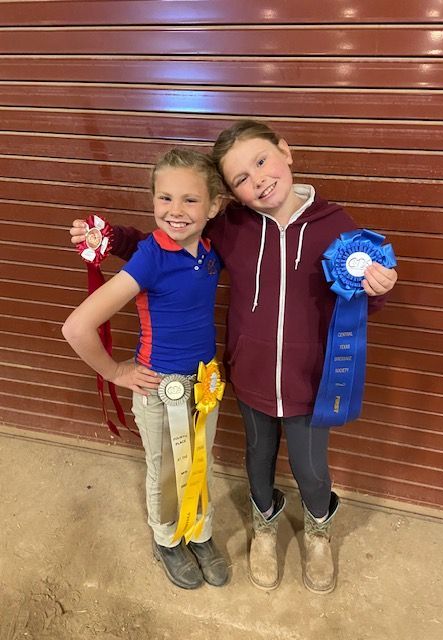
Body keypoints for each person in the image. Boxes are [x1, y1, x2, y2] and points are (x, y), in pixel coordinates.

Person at [69, 120, 398, 594]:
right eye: (241, 177)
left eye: (261, 161)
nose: (257, 179)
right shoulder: (231, 227)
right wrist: (109, 237)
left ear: (285, 151)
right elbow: (165, 243)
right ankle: (263, 524)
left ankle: (318, 531)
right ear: (230, 196)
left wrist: (378, 288)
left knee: (311, 469)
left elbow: (361, 296)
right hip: (247, 376)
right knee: (255, 458)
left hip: (309, 380)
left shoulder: (337, 226)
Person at [63, 149, 229, 590]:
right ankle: (167, 539)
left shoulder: (210, 250)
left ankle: (200, 532)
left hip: (205, 385)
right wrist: (115, 372)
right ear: (153, 199)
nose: (176, 210)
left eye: (190, 200)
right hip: (159, 389)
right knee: (165, 470)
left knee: (201, 461)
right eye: (165, 198)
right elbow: (76, 327)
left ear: (214, 206)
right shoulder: (149, 257)